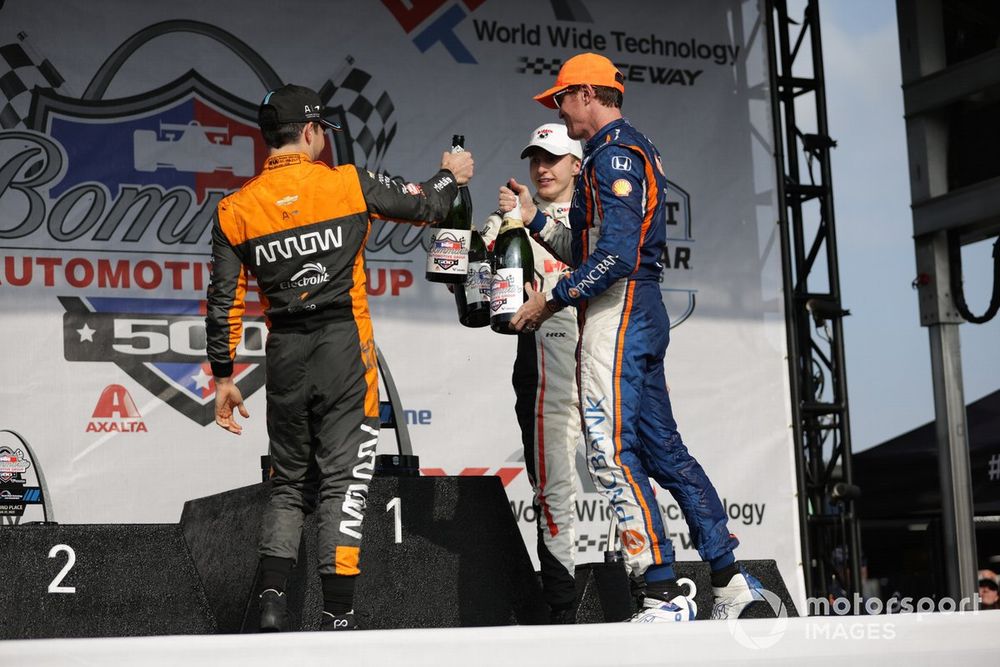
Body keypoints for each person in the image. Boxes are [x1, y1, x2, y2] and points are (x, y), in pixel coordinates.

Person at [205, 84, 474, 632]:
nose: (324, 136)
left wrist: (224, 376)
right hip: (344, 348)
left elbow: (223, 300)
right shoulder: (348, 183)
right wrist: (453, 174)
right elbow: (427, 203)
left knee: (287, 483)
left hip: (284, 352)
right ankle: (338, 614)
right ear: (309, 132)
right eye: (321, 128)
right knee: (344, 482)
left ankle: (274, 602)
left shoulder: (235, 209)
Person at [506, 52, 761, 622]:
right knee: (664, 451)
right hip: (635, 307)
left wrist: (550, 298)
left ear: (590, 95)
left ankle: (662, 592)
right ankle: (731, 583)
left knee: (609, 449)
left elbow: (616, 257)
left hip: (620, 311)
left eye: (561, 97)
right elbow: (594, 248)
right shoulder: (610, 150)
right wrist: (536, 222)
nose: (558, 106)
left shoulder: (614, 153)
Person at [481, 123, 583, 622]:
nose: (542, 169)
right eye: (535, 160)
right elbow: (474, 285)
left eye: (554, 159)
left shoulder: (593, 217)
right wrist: (478, 247)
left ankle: (651, 581)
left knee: (623, 472)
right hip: (543, 364)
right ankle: (563, 603)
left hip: (603, 361)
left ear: (576, 165)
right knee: (554, 485)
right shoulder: (511, 222)